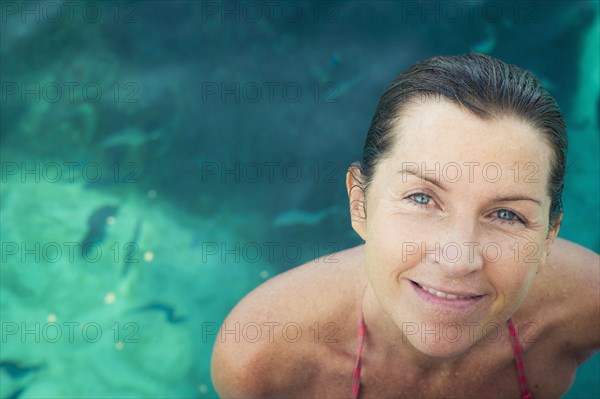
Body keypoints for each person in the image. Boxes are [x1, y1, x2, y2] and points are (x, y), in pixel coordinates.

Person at [210, 53, 599, 398]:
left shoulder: (587, 305)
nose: (457, 259)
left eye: (506, 215)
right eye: (421, 198)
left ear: (549, 236)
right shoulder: (265, 357)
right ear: (360, 204)